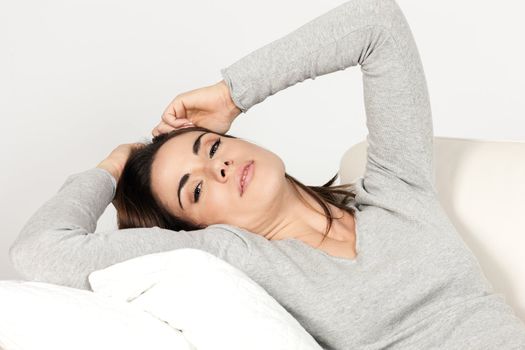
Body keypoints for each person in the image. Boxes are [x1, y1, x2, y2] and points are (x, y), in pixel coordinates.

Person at [9, 0, 525, 348]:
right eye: (195, 188)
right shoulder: (228, 251)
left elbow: (377, 23)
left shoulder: (396, 188)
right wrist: (115, 164)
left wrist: (232, 94)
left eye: (211, 148)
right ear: (198, 227)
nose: (219, 166)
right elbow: (39, 254)